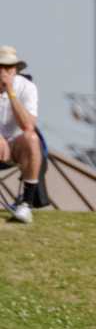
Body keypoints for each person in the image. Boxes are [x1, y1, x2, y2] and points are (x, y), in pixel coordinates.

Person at [0, 47, 41, 225]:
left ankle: (26, 204)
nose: (4, 72)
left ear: (15, 69)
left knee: (31, 138)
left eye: (8, 68)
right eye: (0, 67)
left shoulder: (27, 88)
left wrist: (10, 92)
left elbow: (28, 125)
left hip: (15, 148)